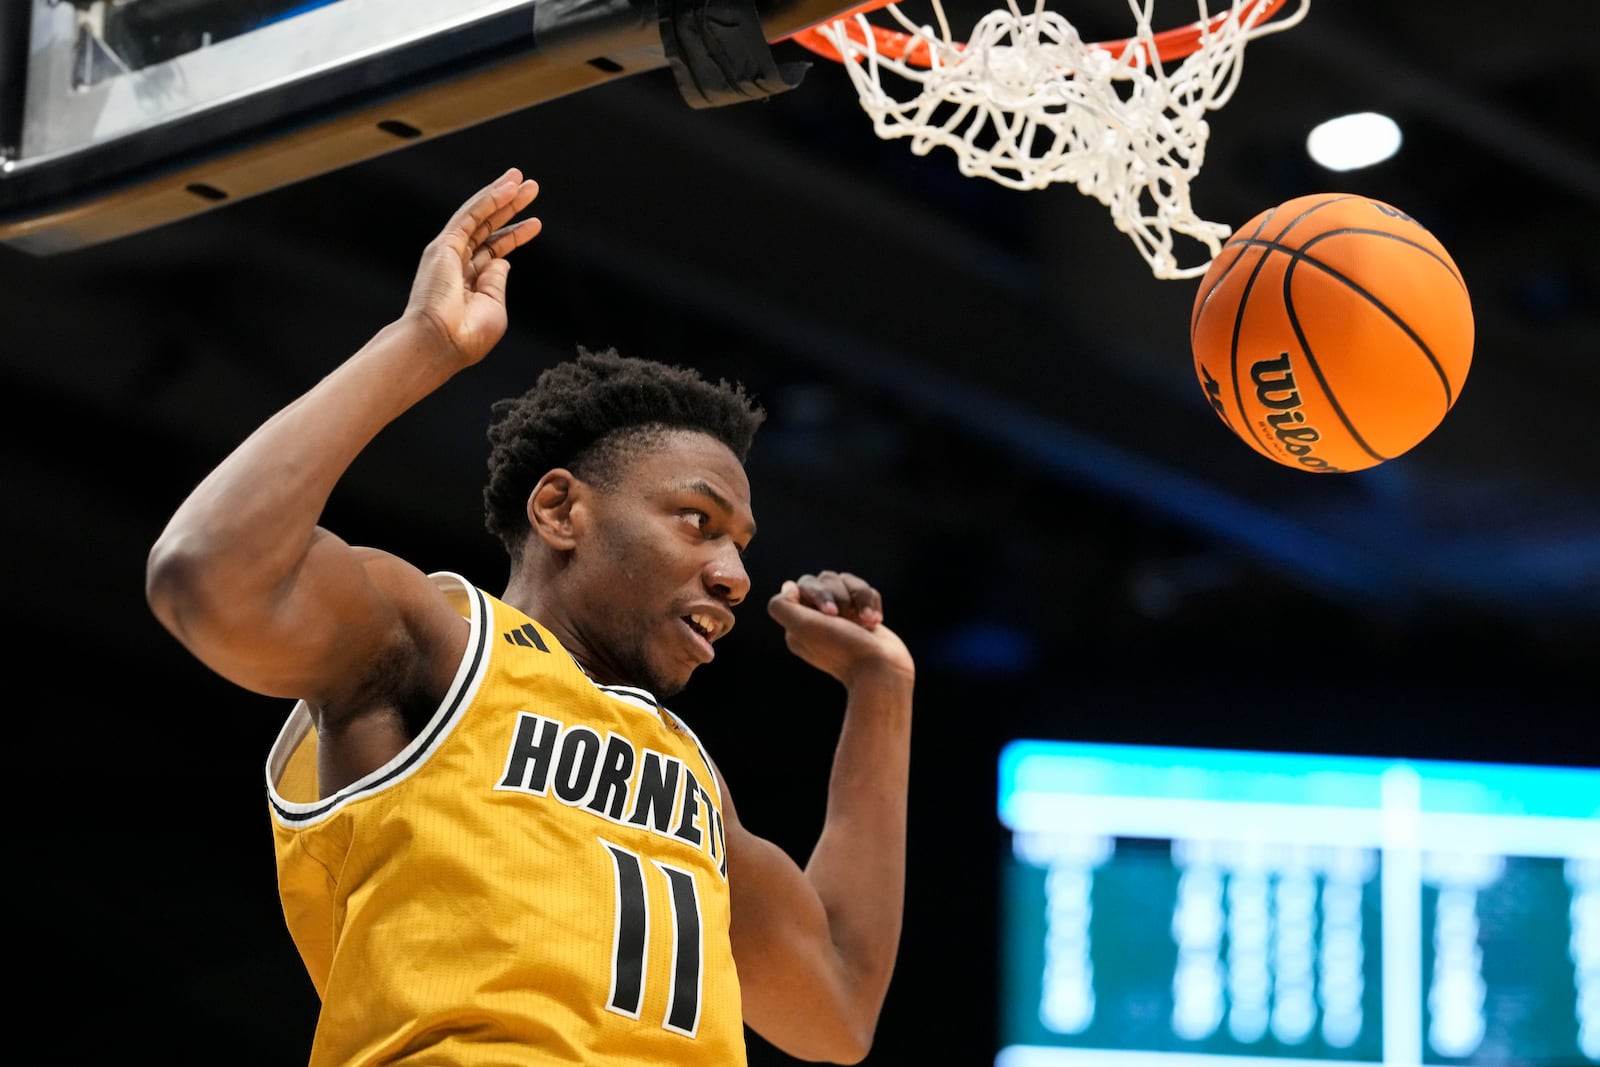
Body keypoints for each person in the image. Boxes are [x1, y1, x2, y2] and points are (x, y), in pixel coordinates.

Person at [145, 167, 915, 1066]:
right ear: (559, 510)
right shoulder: (438, 638)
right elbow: (208, 571)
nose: (735, 574)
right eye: (698, 522)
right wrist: (423, 342)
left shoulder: (689, 780)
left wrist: (881, 687)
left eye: (741, 544)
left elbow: (841, 1000)